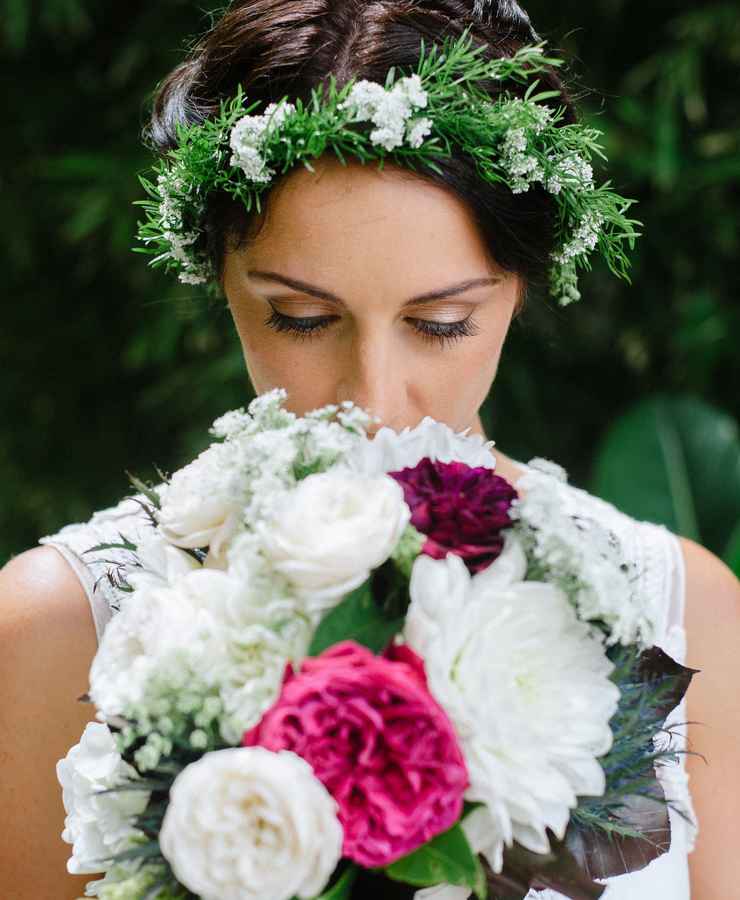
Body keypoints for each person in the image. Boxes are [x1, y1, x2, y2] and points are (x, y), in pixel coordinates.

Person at [1, 2, 738, 898]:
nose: (373, 401)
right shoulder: (49, 630)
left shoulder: (688, 608)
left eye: (439, 323)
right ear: (221, 278)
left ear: (519, 290)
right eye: (302, 319)